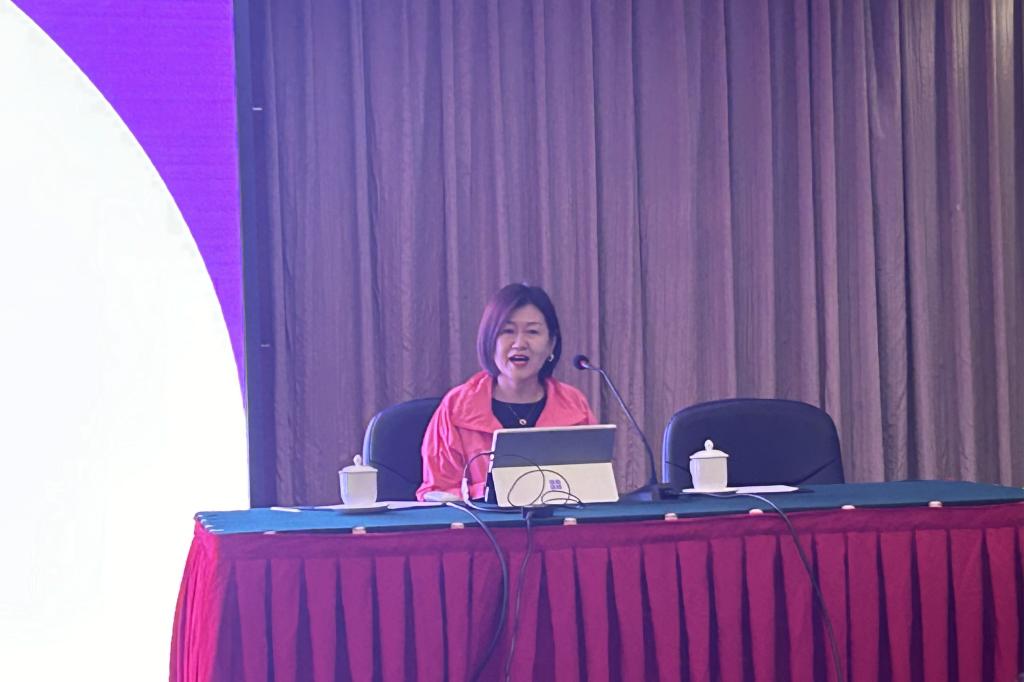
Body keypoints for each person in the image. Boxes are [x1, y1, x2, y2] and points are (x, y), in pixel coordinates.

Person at [416, 283, 596, 500]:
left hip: (560, 521)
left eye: (532, 332)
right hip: (477, 522)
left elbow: (593, 483)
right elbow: (438, 492)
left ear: (551, 344)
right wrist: (492, 492)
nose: (519, 343)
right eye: (507, 331)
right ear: (489, 340)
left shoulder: (574, 405)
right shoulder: (456, 407)